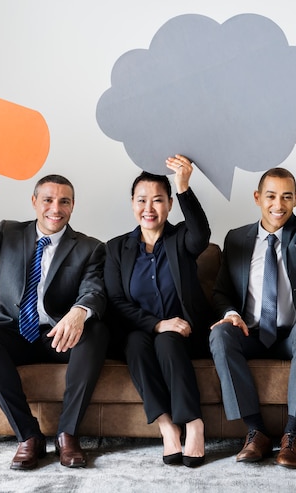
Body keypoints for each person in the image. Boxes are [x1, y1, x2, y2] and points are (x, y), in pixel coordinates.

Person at [0, 148, 108, 470]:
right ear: (34, 202)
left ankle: (68, 434)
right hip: (16, 332)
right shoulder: (9, 233)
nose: (55, 208)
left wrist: (79, 311)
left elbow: (95, 289)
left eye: (64, 201)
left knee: (97, 331)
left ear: (73, 206)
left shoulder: (90, 247)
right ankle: (28, 436)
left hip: (60, 337)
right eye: (48, 200)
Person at [209, 122, 296, 469]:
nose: (278, 204)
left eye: (287, 196)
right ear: (258, 198)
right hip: (251, 333)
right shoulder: (236, 239)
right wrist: (229, 313)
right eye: (271, 195)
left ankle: (293, 435)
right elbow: (222, 291)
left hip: (292, 334)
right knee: (220, 333)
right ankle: (255, 432)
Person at [104, 155, 214, 468]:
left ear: (169, 204)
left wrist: (183, 186)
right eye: (142, 200)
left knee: (167, 340)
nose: (149, 208)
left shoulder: (181, 239)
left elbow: (202, 234)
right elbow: (116, 300)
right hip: (141, 331)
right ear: (132, 203)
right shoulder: (115, 249)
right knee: (137, 343)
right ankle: (167, 428)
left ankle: (193, 423)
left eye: (157, 200)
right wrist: (157, 324)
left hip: (185, 334)